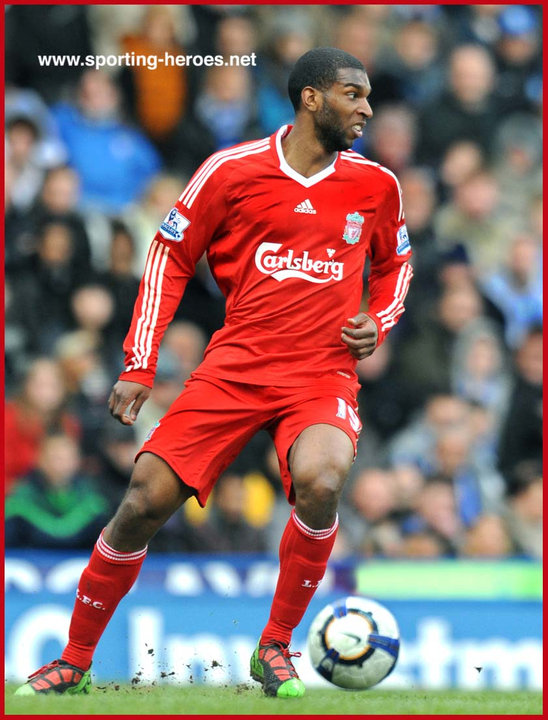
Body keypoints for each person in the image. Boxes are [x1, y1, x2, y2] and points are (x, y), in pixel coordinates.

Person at [16, 47, 412, 700]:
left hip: (321, 374)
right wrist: (140, 363)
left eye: (368, 96)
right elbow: (170, 255)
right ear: (310, 98)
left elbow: (397, 262)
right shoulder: (231, 170)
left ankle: (275, 648)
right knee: (142, 500)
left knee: (321, 479)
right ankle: (74, 661)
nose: (366, 108)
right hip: (236, 367)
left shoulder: (376, 185)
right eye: (352, 94)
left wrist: (380, 319)